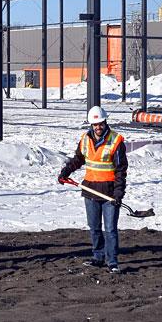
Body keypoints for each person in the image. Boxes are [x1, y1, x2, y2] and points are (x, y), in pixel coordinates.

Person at [58, 106, 128, 274]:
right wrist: (66, 172)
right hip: (90, 190)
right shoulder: (85, 139)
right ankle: (98, 257)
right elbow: (78, 159)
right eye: (95, 124)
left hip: (109, 192)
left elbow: (121, 170)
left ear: (105, 122)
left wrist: (119, 193)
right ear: (91, 125)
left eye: (100, 124)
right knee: (94, 227)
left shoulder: (116, 141)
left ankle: (112, 262)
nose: (98, 127)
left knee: (110, 229)